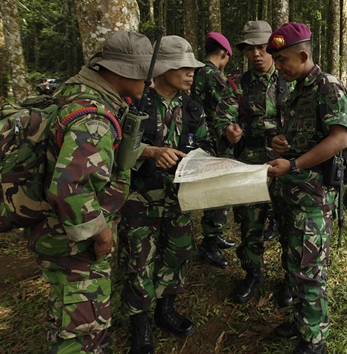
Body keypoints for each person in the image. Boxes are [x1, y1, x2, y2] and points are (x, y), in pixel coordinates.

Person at [27, 31, 157, 354]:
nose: (150, 83)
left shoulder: (76, 89)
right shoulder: (95, 118)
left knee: (68, 313)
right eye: (145, 74)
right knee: (80, 330)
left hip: (54, 230)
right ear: (124, 71)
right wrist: (101, 234)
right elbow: (71, 189)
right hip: (74, 242)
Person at [118, 35, 208, 354]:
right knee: (139, 258)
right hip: (139, 196)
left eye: (192, 68)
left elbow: (204, 144)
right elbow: (117, 145)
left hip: (178, 196)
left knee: (178, 251)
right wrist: (151, 152)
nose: (190, 73)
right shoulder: (136, 103)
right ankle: (139, 322)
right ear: (164, 68)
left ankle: (165, 308)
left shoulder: (192, 107)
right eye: (184, 67)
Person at [266, 22, 347, 354]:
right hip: (292, 193)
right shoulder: (295, 91)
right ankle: (302, 322)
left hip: (313, 198)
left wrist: (296, 164)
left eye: (283, 60)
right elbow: (297, 140)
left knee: (309, 271)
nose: (279, 66)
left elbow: (339, 138)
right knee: (293, 264)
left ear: (303, 56)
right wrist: (281, 144)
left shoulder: (328, 88)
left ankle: (314, 341)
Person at [214, 20, 292, 305]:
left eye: (261, 48)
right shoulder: (238, 83)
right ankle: (252, 272)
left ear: (272, 48)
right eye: (250, 49)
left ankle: (290, 280)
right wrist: (228, 128)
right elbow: (222, 114)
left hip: (284, 165)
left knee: (289, 224)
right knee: (250, 223)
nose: (257, 54)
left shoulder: (289, 80)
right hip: (249, 163)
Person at [191, 32, 237, 269]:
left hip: (202, 141)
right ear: (224, 54)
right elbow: (228, 105)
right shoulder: (213, 75)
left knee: (215, 191)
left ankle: (213, 235)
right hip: (216, 142)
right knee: (220, 191)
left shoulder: (196, 71)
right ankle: (209, 242)